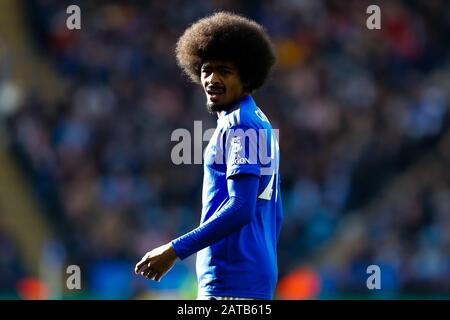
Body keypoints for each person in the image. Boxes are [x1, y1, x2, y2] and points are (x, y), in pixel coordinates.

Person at [135, 11, 283, 300]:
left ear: (247, 76)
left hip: (232, 280)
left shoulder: (242, 124)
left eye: (225, 71)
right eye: (206, 69)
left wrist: (174, 250)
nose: (212, 79)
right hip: (246, 277)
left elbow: (241, 207)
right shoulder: (254, 120)